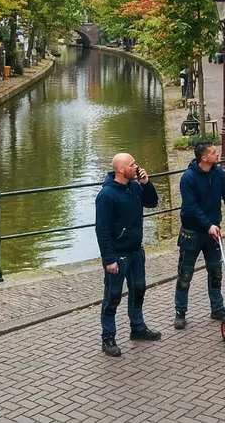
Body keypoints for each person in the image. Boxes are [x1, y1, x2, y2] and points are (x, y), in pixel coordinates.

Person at [174, 142, 225, 330]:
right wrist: (208, 225)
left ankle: (217, 308)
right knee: (185, 273)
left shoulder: (218, 173)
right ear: (204, 158)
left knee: (216, 271)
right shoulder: (188, 178)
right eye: (214, 152)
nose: (218, 154)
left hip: (212, 233)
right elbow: (190, 207)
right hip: (192, 233)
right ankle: (180, 312)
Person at [95, 151, 161, 356]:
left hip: (136, 252)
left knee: (139, 289)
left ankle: (137, 328)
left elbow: (152, 203)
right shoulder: (107, 196)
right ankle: (108, 338)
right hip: (118, 255)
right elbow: (102, 230)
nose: (137, 166)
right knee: (113, 297)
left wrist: (146, 183)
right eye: (132, 164)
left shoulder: (134, 187)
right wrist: (109, 259)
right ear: (121, 169)